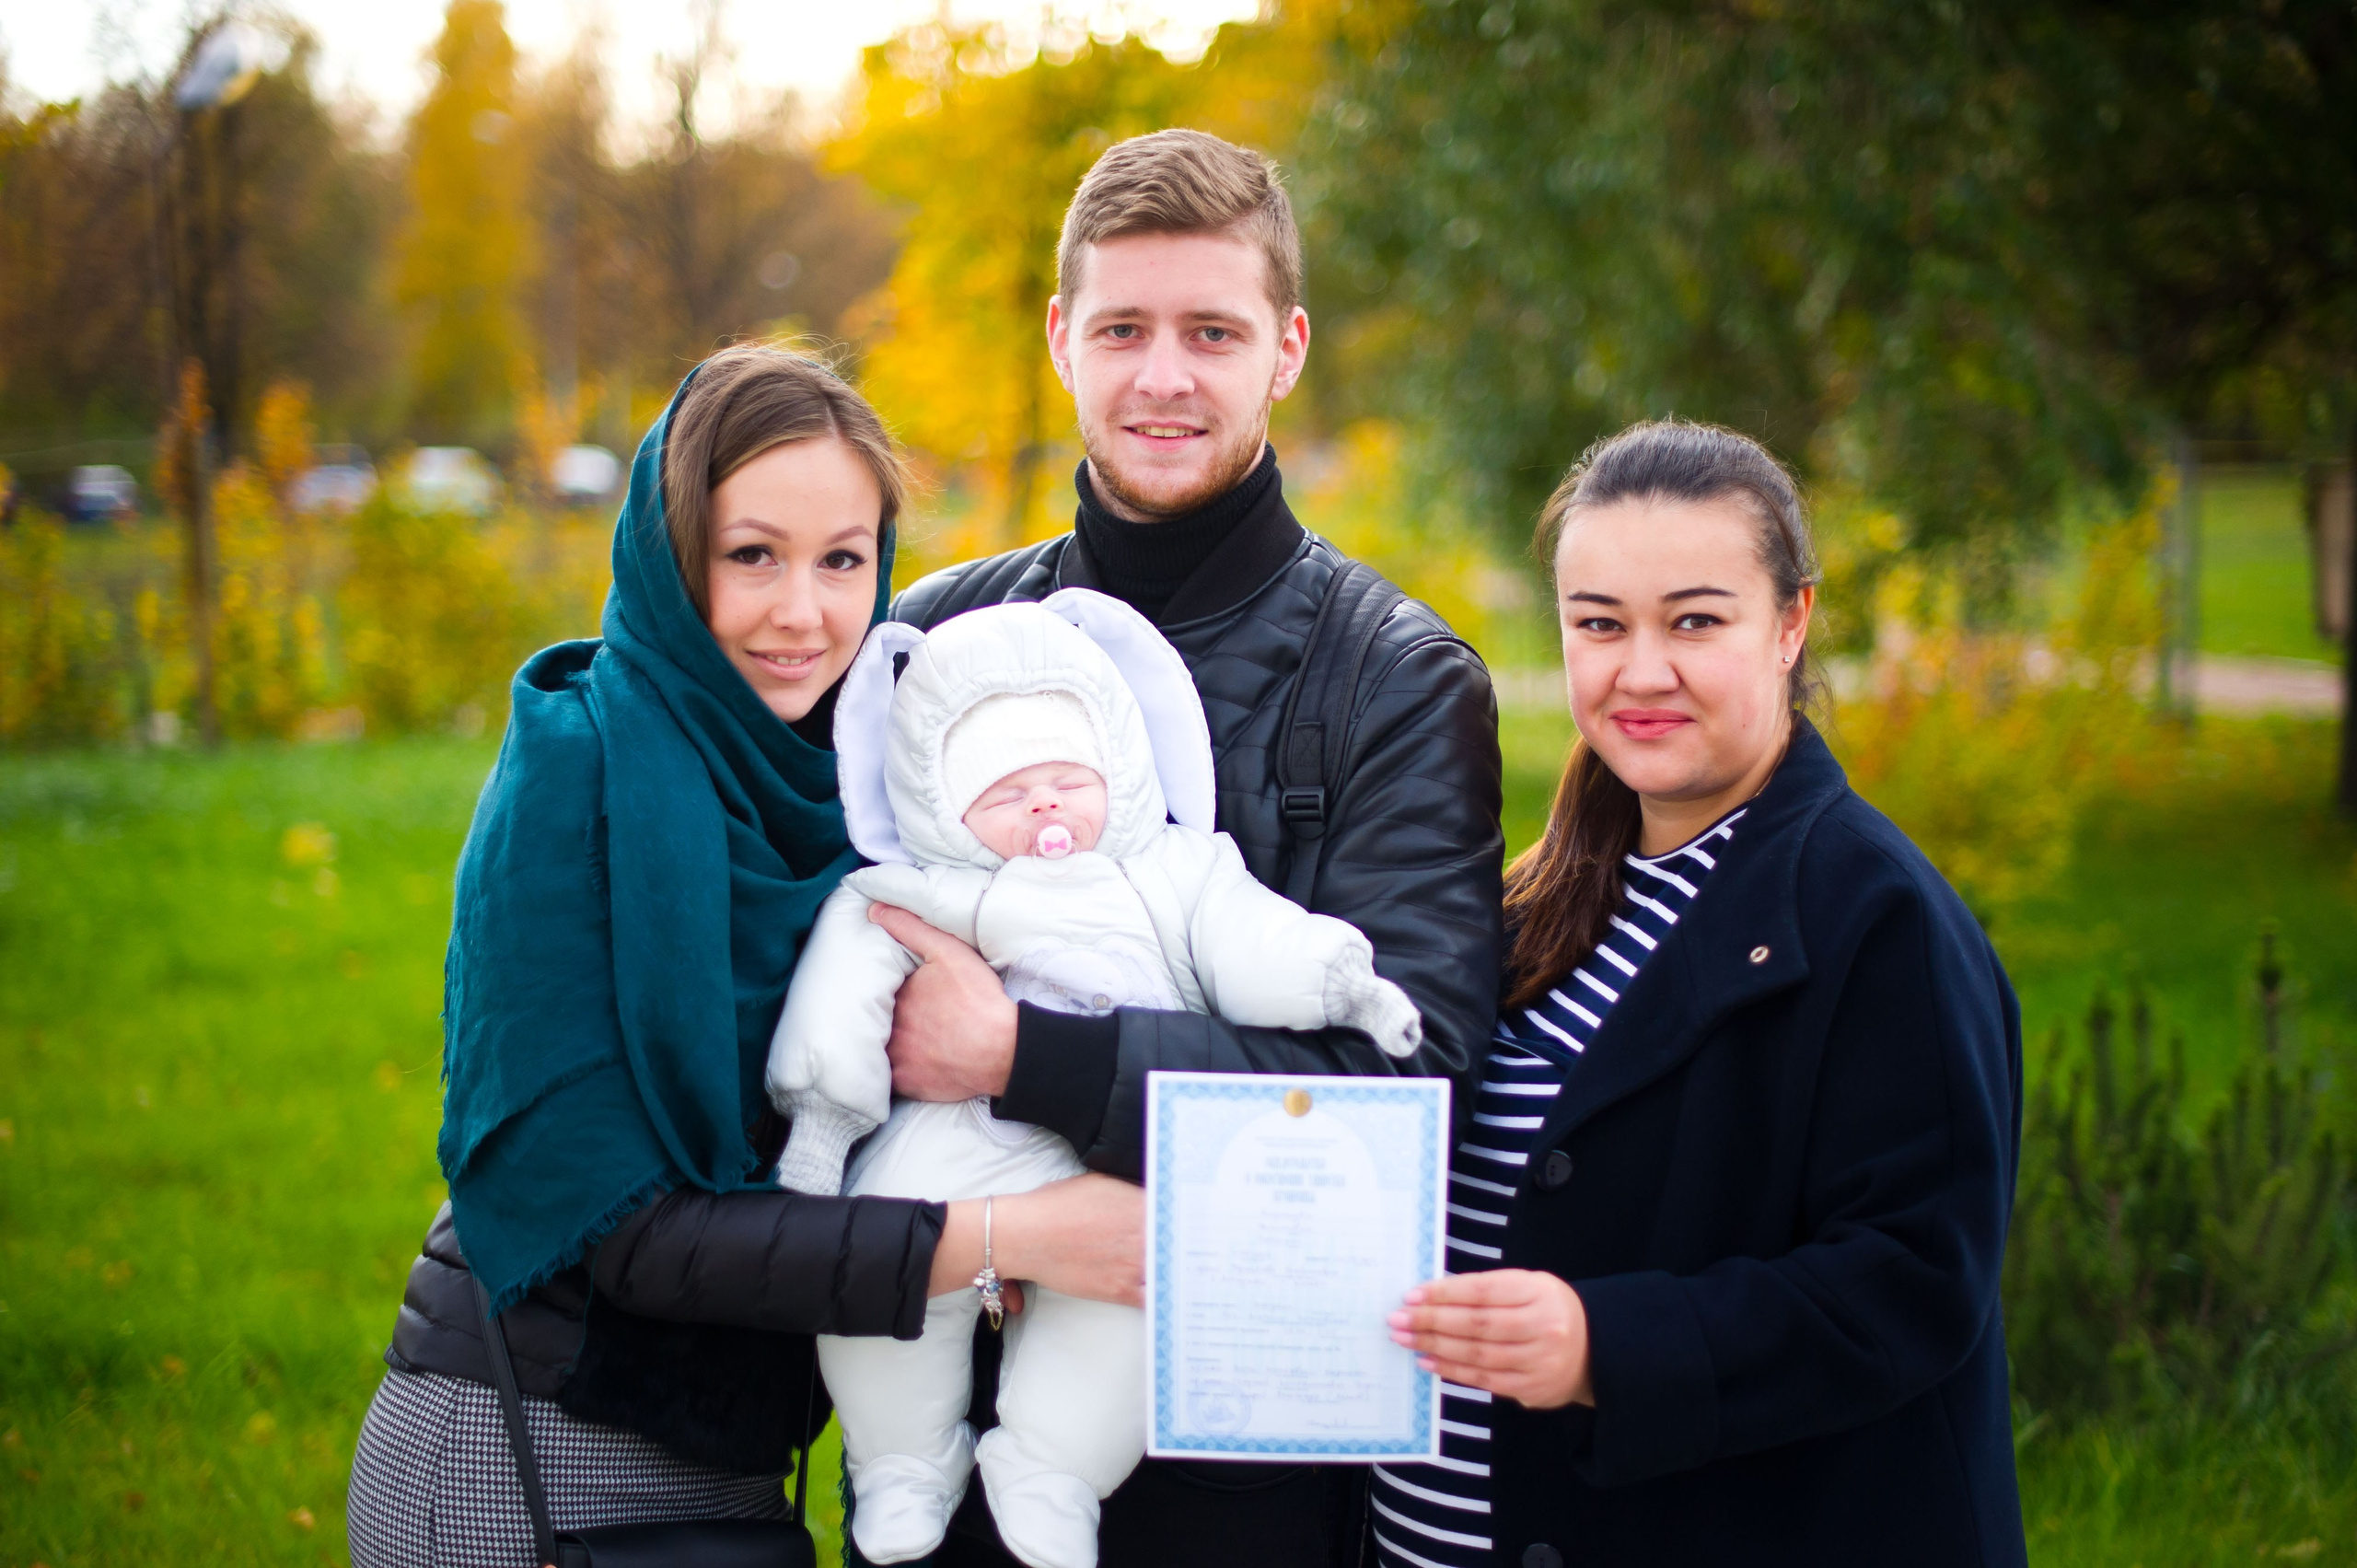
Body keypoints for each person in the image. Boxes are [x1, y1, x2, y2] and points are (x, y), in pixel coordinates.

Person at [345, 344, 1144, 1568]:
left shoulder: (859, 794)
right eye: (752, 554)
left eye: (843, 559)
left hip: (734, 1457)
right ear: (674, 554)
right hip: (534, 1456)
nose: (803, 612)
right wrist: (1009, 1233)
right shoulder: (580, 774)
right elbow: (628, 1232)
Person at [874, 129, 1505, 1568]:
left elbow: (1407, 1084)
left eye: (1212, 332)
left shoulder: (1397, 681)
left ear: (1286, 349)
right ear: (1061, 339)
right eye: (1124, 330)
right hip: (939, 1423)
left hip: (1240, 1459)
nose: (1164, 375)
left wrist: (1027, 1057)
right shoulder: (933, 638)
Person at [1376, 419, 2029, 1568]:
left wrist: (1605, 1346)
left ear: (1790, 624)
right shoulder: (1532, 898)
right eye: (1599, 623)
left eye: (1693, 621)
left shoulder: (1881, 920)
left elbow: (1913, 1282)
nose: (1640, 671)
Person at [771, 592, 1422, 1568]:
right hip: (948, 1148)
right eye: (1002, 792)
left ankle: (1050, 1468)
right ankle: (901, 1459)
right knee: (883, 1286)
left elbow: (1251, 937)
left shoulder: (1176, 868)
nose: (1043, 805)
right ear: (938, 803)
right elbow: (845, 988)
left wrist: (1339, 981)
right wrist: (824, 1119)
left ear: (1117, 767)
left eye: (1066, 779)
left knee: (1128, 1311)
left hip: (1114, 1167)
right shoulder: (918, 888)